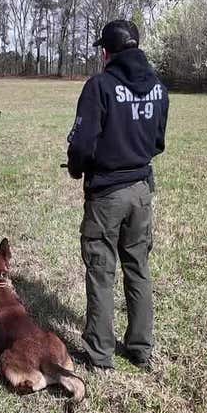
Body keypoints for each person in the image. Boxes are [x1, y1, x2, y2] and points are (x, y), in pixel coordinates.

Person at [65, 20, 169, 372]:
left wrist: (77, 167)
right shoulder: (158, 87)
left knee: (101, 271)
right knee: (138, 268)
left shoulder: (100, 86)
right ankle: (141, 348)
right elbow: (158, 143)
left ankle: (100, 355)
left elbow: (80, 145)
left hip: (106, 194)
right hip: (141, 192)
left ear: (106, 53)